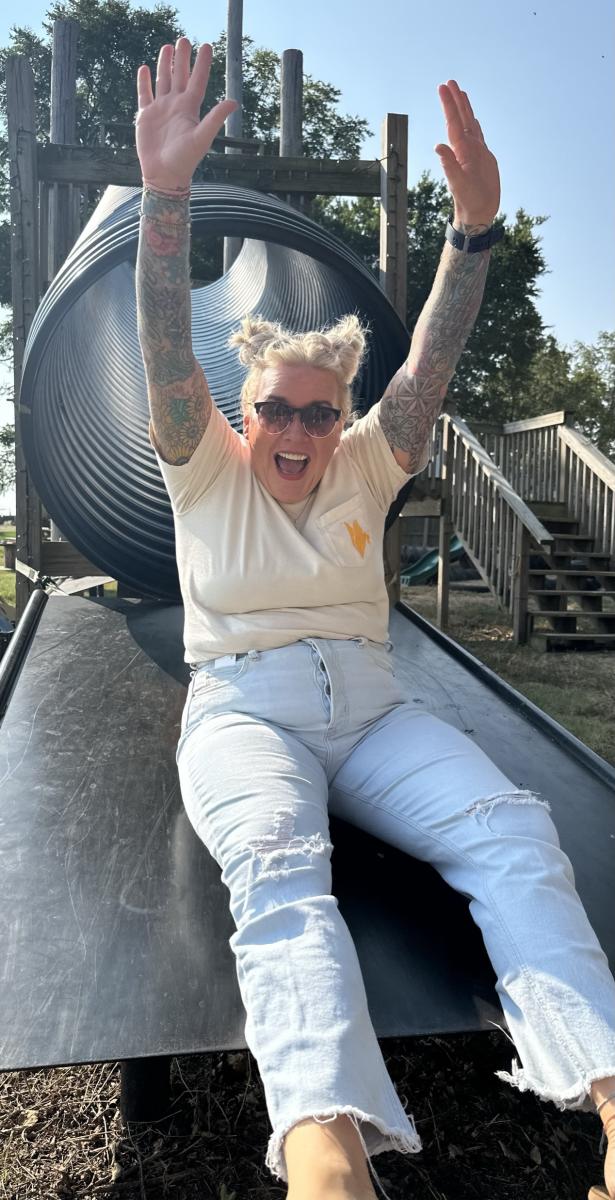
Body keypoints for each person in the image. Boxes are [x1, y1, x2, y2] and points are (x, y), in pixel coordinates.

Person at [135, 36, 615, 1200]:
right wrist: (163, 203)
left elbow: (432, 370)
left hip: (370, 706)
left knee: (511, 827)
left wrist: (474, 236)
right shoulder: (203, 466)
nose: (295, 433)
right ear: (238, 413)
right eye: (275, 412)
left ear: (339, 415)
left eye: (317, 411)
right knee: (284, 868)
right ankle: (325, 1153)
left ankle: (609, 1092)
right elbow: (161, 347)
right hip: (246, 708)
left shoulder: (365, 461)